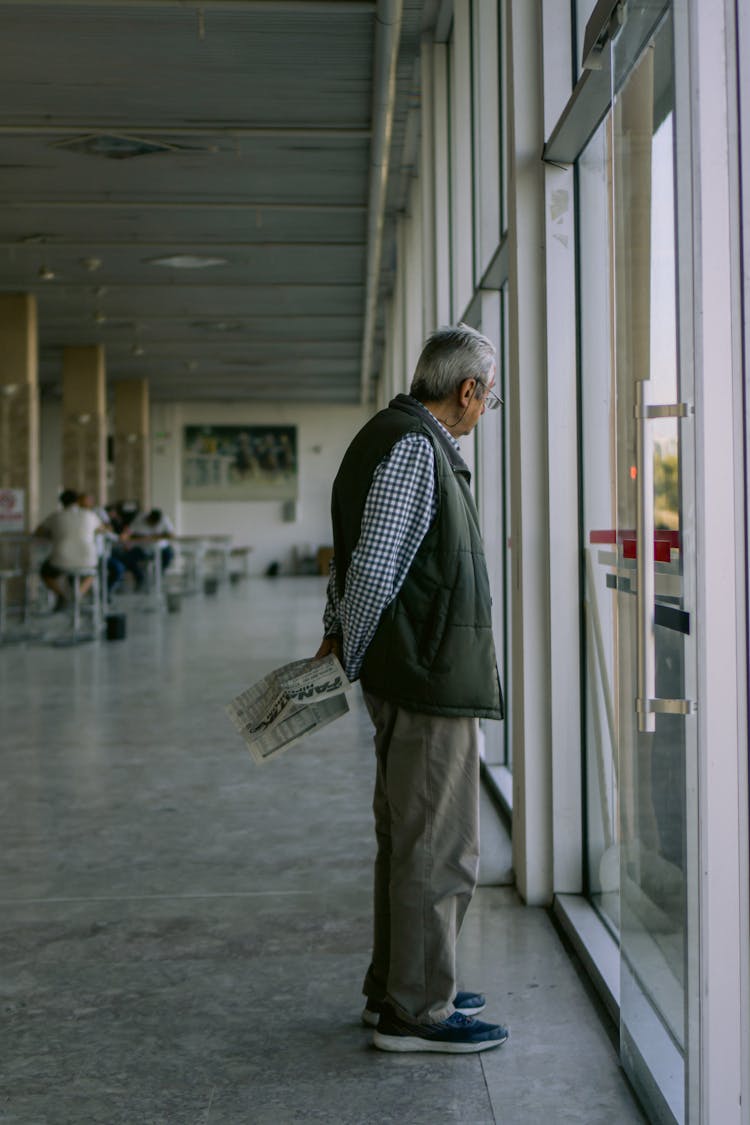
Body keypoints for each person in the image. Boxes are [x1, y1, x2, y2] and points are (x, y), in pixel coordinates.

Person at [315, 325, 508, 1054]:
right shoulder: (412, 447)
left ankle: (397, 985)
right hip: (425, 679)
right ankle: (420, 1008)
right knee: (440, 847)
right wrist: (353, 653)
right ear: (467, 391)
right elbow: (371, 571)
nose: (485, 409)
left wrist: (344, 640)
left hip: (414, 673)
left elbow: (353, 561)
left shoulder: (390, 437)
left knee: (407, 840)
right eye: (488, 398)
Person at [34, 489, 107, 610]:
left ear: (61, 502)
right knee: (92, 573)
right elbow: (103, 529)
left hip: (61, 559)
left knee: (45, 572)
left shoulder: (56, 516)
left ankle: (62, 596)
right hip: (87, 558)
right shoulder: (89, 515)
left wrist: (53, 534)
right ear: (77, 501)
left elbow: (38, 532)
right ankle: (77, 595)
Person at [122, 507, 175, 590]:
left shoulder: (164, 519)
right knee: (127, 558)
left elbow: (171, 534)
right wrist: (125, 537)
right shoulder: (139, 519)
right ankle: (140, 576)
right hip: (142, 547)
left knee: (169, 555)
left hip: (160, 548)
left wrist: (156, 536)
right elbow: (129, 532)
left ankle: (159, 575)